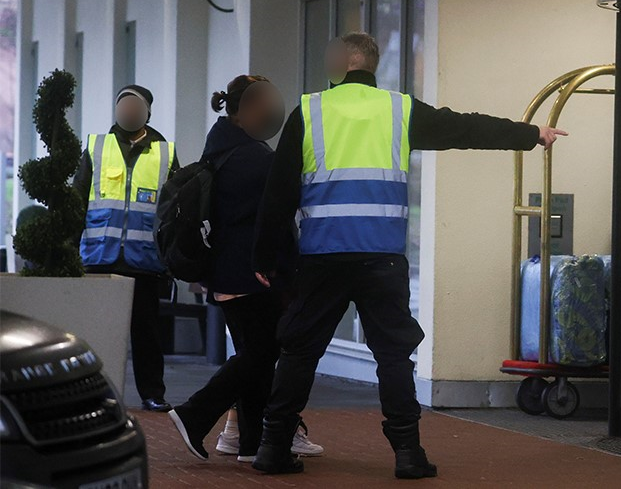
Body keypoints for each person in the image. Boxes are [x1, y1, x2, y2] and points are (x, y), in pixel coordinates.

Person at [250, 32, 568, 477]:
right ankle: (408, 454)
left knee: (300, 352)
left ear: (338, 64)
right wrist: (531, 134)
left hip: (323, 255)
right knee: (394, 356)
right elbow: (465, 127)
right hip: (382, 258)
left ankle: (272, 447)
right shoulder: (399, 109)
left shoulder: (309, 110)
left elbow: (278, 191)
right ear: (372, 65)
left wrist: (264, 257)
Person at [167, 75, 322, 463]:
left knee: (256, 355)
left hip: (227, 272)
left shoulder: (220, 150)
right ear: (244, 111)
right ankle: (194, 414)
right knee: (260, 354)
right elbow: (275, 218)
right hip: (251, 274)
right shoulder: (255, 160)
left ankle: (253, 440)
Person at [73, 85, 178, 412]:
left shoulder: (165, 153)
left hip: (144, 260)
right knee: (96, 333)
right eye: (123, 105)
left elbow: (175, 210)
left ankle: (152, 393)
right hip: (99, 258)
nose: (128, 111)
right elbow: (76, 202)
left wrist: (173, 259)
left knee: (147, 334)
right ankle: (91, 393)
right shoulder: (96, 147)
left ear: (147, 112)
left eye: (135, 106)